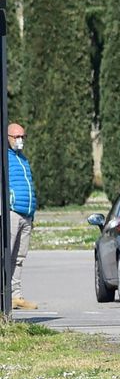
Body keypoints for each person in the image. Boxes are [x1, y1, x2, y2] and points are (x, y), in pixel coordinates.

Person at [6, 122, 37, 311]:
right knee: (7, 255)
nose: (20, 140)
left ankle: (16, 295)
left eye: (22, 137)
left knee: (19, 257)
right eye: (16, 137)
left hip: (26, 214)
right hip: (12, 211)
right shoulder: (5, 158)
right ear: (8, 138)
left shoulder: (23, 159)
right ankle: (5, 293)